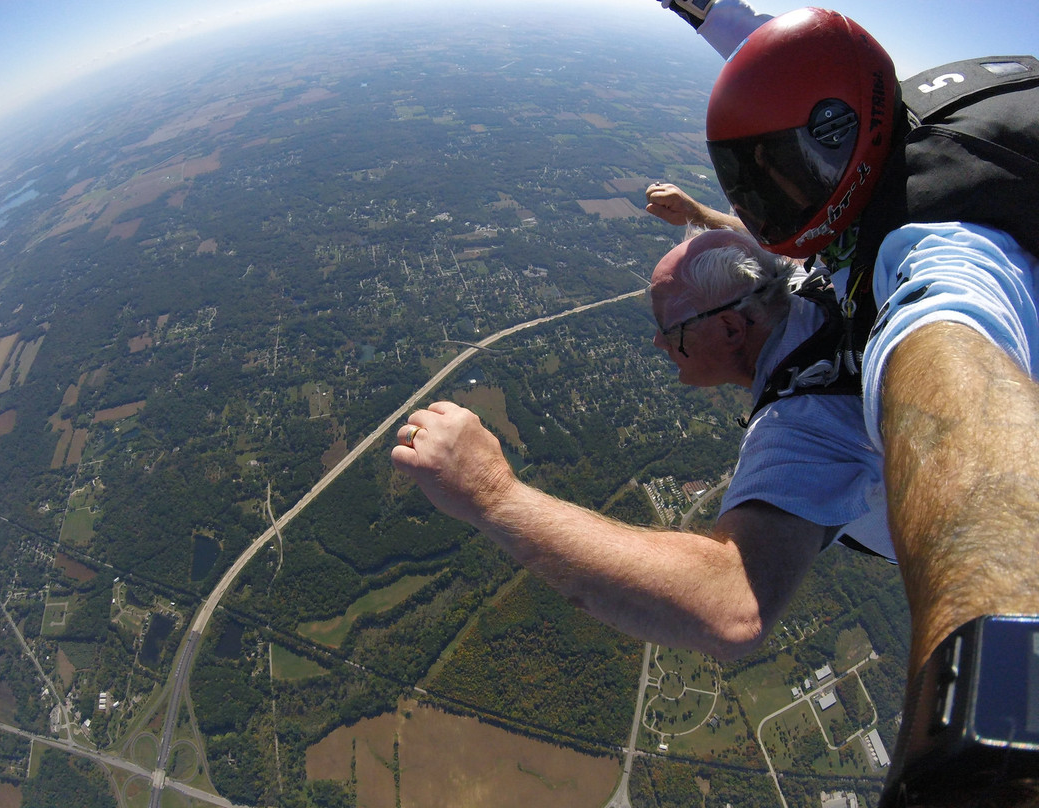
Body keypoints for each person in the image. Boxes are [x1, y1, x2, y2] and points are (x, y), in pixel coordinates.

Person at [655, 5, 1039, 803]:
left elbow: (955, 394)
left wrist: (988, 735)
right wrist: (703, 12)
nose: (763, 217)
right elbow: (787, 61)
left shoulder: (931, 248)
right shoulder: (885, 115)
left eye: (777, 184)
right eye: (751, 187)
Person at [391, 226, 888, 660]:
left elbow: (735, 610)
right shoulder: (808, 283)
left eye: (670, 331)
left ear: (732, 327)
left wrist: (490, 493)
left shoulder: (807, 420)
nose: (659, 344)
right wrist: (701, 215)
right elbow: (757, 256)